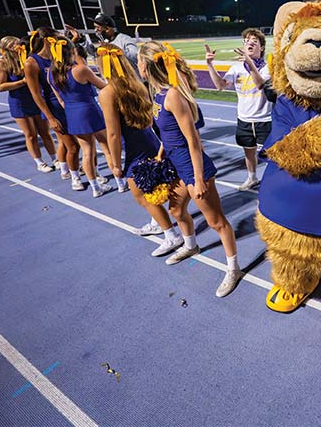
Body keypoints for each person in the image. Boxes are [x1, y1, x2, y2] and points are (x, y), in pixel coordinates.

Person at [138, 40, 242, 297]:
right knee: (175, 209)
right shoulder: (158, 94)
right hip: (175, 164)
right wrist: (161, 154)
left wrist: (198, 179)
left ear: (148, 65)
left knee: (216, 221)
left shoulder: (172, 95)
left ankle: (233, 268)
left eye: (139, 61)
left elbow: (194, 141)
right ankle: (191, 245)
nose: (137, 65)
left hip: (192, 167)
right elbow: (166, 132)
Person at [98, 43, 191, 257]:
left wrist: (114, 163)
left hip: (134, 146)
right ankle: (158, 222)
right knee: (153, 188)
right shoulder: (136, 83)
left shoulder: (108, 92)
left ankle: (171, 235)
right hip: (149, 138)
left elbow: (112, 134)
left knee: (140, 194)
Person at [47, 36, 115, 197]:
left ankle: (95, 188)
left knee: (87, 151)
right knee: (107, 146)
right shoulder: (80, 69)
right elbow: (103, 87)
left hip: (71, 112)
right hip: (88, 110)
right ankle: (119, 181)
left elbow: (60, 100)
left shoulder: (51, 73)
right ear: (72, 51)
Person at [205, 28, 272, 190]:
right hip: (244, 119)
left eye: (254, 41)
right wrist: (210, 65)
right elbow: (220, 86)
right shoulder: (236, 68)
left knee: (272, 155)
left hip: (265, 119)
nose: (249, 43)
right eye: (247, 41)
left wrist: (249, 63)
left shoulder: (268, 67)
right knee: (249, 151)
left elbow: (261, 84)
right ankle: (252, 178)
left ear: (261, 48)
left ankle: (273, 182)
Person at [23, 27, 82, 189]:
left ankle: (64, 170)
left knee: (65, 143)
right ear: (46, 41)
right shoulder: (32, 62)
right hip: (54, 108)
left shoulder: (56, 55)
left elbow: (68, 50)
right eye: (55, 39)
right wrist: (50, 117)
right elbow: (35, 94)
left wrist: (74, 38)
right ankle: (75, 178)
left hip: (68, 103)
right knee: (73, 146)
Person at [0, 36, 56, 172]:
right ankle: (39, 162)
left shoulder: (28, 57)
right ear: (6, 48)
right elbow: (0, 86)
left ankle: (54, 158)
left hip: (37, 99)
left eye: (18, 42)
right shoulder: (1, 63)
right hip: (19, 102)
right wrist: (22, 82)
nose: (18, 44)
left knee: (45, 132)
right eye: (13, 43)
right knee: (31, 134)